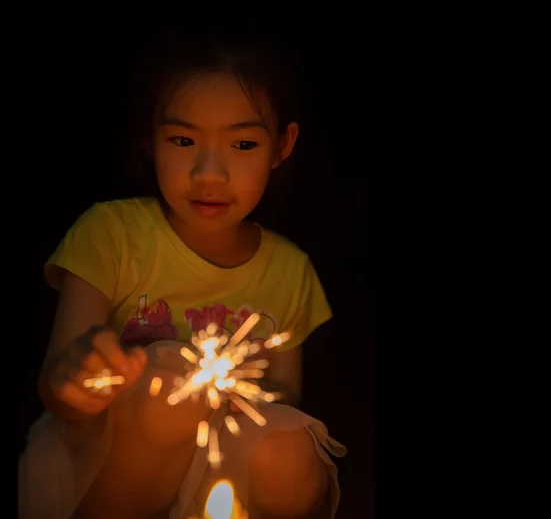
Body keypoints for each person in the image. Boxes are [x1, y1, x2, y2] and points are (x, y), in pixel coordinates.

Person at [18, 28, 346, 519]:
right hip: (101, 473)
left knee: (290, 447)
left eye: (242, 144)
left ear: (283, 145)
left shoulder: (290, 269)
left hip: (210, 478)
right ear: (150, 138)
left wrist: (236, 398)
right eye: (184, 139)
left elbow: (281, 398)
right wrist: (80, 381)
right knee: (172, 381)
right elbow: (59, 381)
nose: (208, 173)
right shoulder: (113, 234)